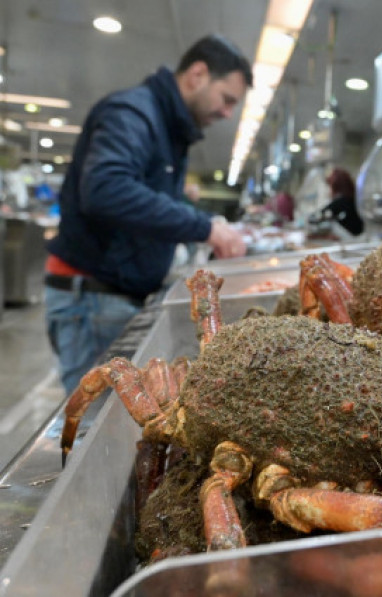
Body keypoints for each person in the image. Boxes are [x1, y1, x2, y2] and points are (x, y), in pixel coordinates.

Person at [44, 34, 252, 395]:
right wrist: (205, 228)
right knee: (94, 425)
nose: (227, 113)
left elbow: (148, 203)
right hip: (92, 299)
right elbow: (106, 189)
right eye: (227, 99)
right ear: (198, 74)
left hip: (113, 296)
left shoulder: (170, 130)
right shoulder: (134, 112)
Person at [315, 167, 364, 237]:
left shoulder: (341, 202)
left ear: (335, 186)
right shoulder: (353, 197)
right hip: (359, 235)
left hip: (351, 239)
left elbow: (318, 215)